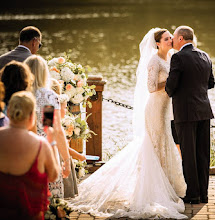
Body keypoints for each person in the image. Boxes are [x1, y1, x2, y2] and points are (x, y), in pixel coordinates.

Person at [68, 28, 187, 219]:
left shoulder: (173, 57)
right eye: (166, 39)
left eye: (171, 38)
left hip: (166, 110)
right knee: (156, 145)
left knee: (166, 144)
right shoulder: (154, 61)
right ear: (157, 43)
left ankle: (168, 186)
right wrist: (170, 83)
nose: (170, 40)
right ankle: (153, 189)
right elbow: (150, 88)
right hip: (155, 109)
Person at [165, 25, 215, 204]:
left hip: (185, 112)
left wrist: (173, 90)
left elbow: (171, 86)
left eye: (174, 38)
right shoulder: (205, 56)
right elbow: (211, 83)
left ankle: (193, 195)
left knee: (189, 154)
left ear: (180, 39)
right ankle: (203, 194)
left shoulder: (178, 57)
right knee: (203, 154)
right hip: (204, 111)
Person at [0, 91, 60, 220]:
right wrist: (53, 143)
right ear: (32, 116)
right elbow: (54, 175)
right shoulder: (41, 145)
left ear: (8, 111)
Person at [24, 55, 71, 199]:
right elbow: (52, 128)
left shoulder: (21, 94)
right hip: (47, 147)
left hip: (24, 146)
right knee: (50, 198)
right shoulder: (48, 96)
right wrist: (66, 160)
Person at [51, 78, 86, 198]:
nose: (66, 111)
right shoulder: (55, 125)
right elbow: (63, 147)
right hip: (60, 158)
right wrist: (79, 156)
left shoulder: (49, 119)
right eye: (65, 108)